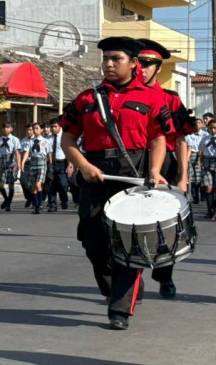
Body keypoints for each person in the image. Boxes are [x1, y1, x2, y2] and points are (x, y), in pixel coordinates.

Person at [59, 36, 172, 331]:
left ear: (133, 63)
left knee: (128, 243)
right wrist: (83, 165)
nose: (108, 64)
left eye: (116, 59)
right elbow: (68, 138)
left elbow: (158, 138)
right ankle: (117, 288)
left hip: (132, 171)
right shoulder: (87, 98)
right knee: (92, 241)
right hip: (95, 171)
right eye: (106, 59)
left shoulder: (152, 98)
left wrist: (156, 170)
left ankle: (119, 308)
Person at [136, 39, 197, 299]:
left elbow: (182, 139)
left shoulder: (170, 99)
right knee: (134, 223)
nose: (142, 68)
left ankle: (165, 276)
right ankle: (130, 283)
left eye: (148, 64)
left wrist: (184, 177)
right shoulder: (125, 95)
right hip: (136, 162)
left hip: (167, 164)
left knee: (165, 224)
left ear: (158, 68)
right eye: (138, 62)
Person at [21, 123, 48, 214]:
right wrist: (23, 162)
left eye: (36, 128)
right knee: (33, 187)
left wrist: (51, 165)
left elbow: (49, 154)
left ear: (41, 130)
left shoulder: (45, 141)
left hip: (42, 162)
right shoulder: (30, 141)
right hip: (32, 163)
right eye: (33, 129)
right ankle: (36, 205)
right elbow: (27, 152)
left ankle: (40, 205)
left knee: (38, 185)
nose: (34, 130)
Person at [200, 121, 216, 218]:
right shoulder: (205, 138)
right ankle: (209, 210)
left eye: (215, 128)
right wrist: (200, 162)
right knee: (208, 187)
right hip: (206, 162)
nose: (213, 130)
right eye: (211, 128)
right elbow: (201, 151)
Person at [45, 119, 71, 212]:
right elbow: (48, 153)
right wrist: (50, 165)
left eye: (55, 126)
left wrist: (70, 164)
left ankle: (64, 200)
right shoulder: (48, 139)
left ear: (60, 126)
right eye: (52, 127)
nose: (53, 128)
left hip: (62, 163)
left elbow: (69, 151)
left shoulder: (65, 137)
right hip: (51, 163)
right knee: (51, 184)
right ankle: (52, 204)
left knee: (62, 184)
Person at [0, 123, 22, 211]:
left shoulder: (15, 139)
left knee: (11, 185)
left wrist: (18, 164)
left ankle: (8, 204)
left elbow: (17, 152)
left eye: (7, 127)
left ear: (11, 129)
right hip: (2, 162)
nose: (5, 129)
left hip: (11, 162)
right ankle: (6, 199)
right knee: (0, 184)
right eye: (3, 128)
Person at [186, 117, 206, 203]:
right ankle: (195, 197)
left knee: (201, 176)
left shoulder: (205, 134)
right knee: (192, 176)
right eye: (195, 123)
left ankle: (203, 195)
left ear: (202, 124)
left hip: (202, 155)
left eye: (199, 122)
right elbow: (189, 147)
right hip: (192, 154)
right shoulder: (189, 134)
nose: (197, 124)